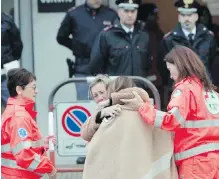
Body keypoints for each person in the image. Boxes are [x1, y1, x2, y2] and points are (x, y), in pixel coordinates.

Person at [121, 46, 219, 179]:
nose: (171, 76)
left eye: (170, 69)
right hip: (214, 160)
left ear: (179, 65)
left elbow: (172, 120)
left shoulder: (185, 89)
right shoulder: (209, 91)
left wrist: (142, 107)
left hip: (195, 161)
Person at [82, 76, 178, 179]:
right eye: (95, 95)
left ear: (111, 89)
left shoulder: (113, 116)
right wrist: (100, 114)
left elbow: (93, 148)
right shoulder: (147, 109)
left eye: (102, 92)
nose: (100, 97)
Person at [158, 0, 217, 106]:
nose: (187, 19)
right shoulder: (169, 40)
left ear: (196, 16)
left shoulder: (208, 37)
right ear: (179, 17)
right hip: (179, 92)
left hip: (203, 91)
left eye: (190, 15)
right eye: (183, 15)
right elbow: (163, 69)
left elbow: (213, 65)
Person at [1, 68, 57, 178]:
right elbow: (23, 154)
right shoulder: (19, 116)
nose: (36, 91)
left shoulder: (13, 112)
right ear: (19, 89)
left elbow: (19, 147)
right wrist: (49, 168)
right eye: (33, 87)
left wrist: (42, 145)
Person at [56, 0, 117, 100]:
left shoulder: (111, 14)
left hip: (106, 69)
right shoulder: (74, 14)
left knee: (108, 104)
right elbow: (61, 37)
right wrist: (78, 48)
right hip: (83, 68)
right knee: (86, 104)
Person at [89, 0, 151, 80]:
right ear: (119, 12)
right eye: (126, 11)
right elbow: (96, 66)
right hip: (116, 88)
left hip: (138, 88)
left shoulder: (143, 35)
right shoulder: (107, 35)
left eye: (133, 11)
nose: (130, 15)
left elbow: (147, 65)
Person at [1, 12, 23, 111]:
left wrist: (9, 60)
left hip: (4, 71)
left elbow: (17, 45)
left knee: (14, 108)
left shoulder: (6, 20)